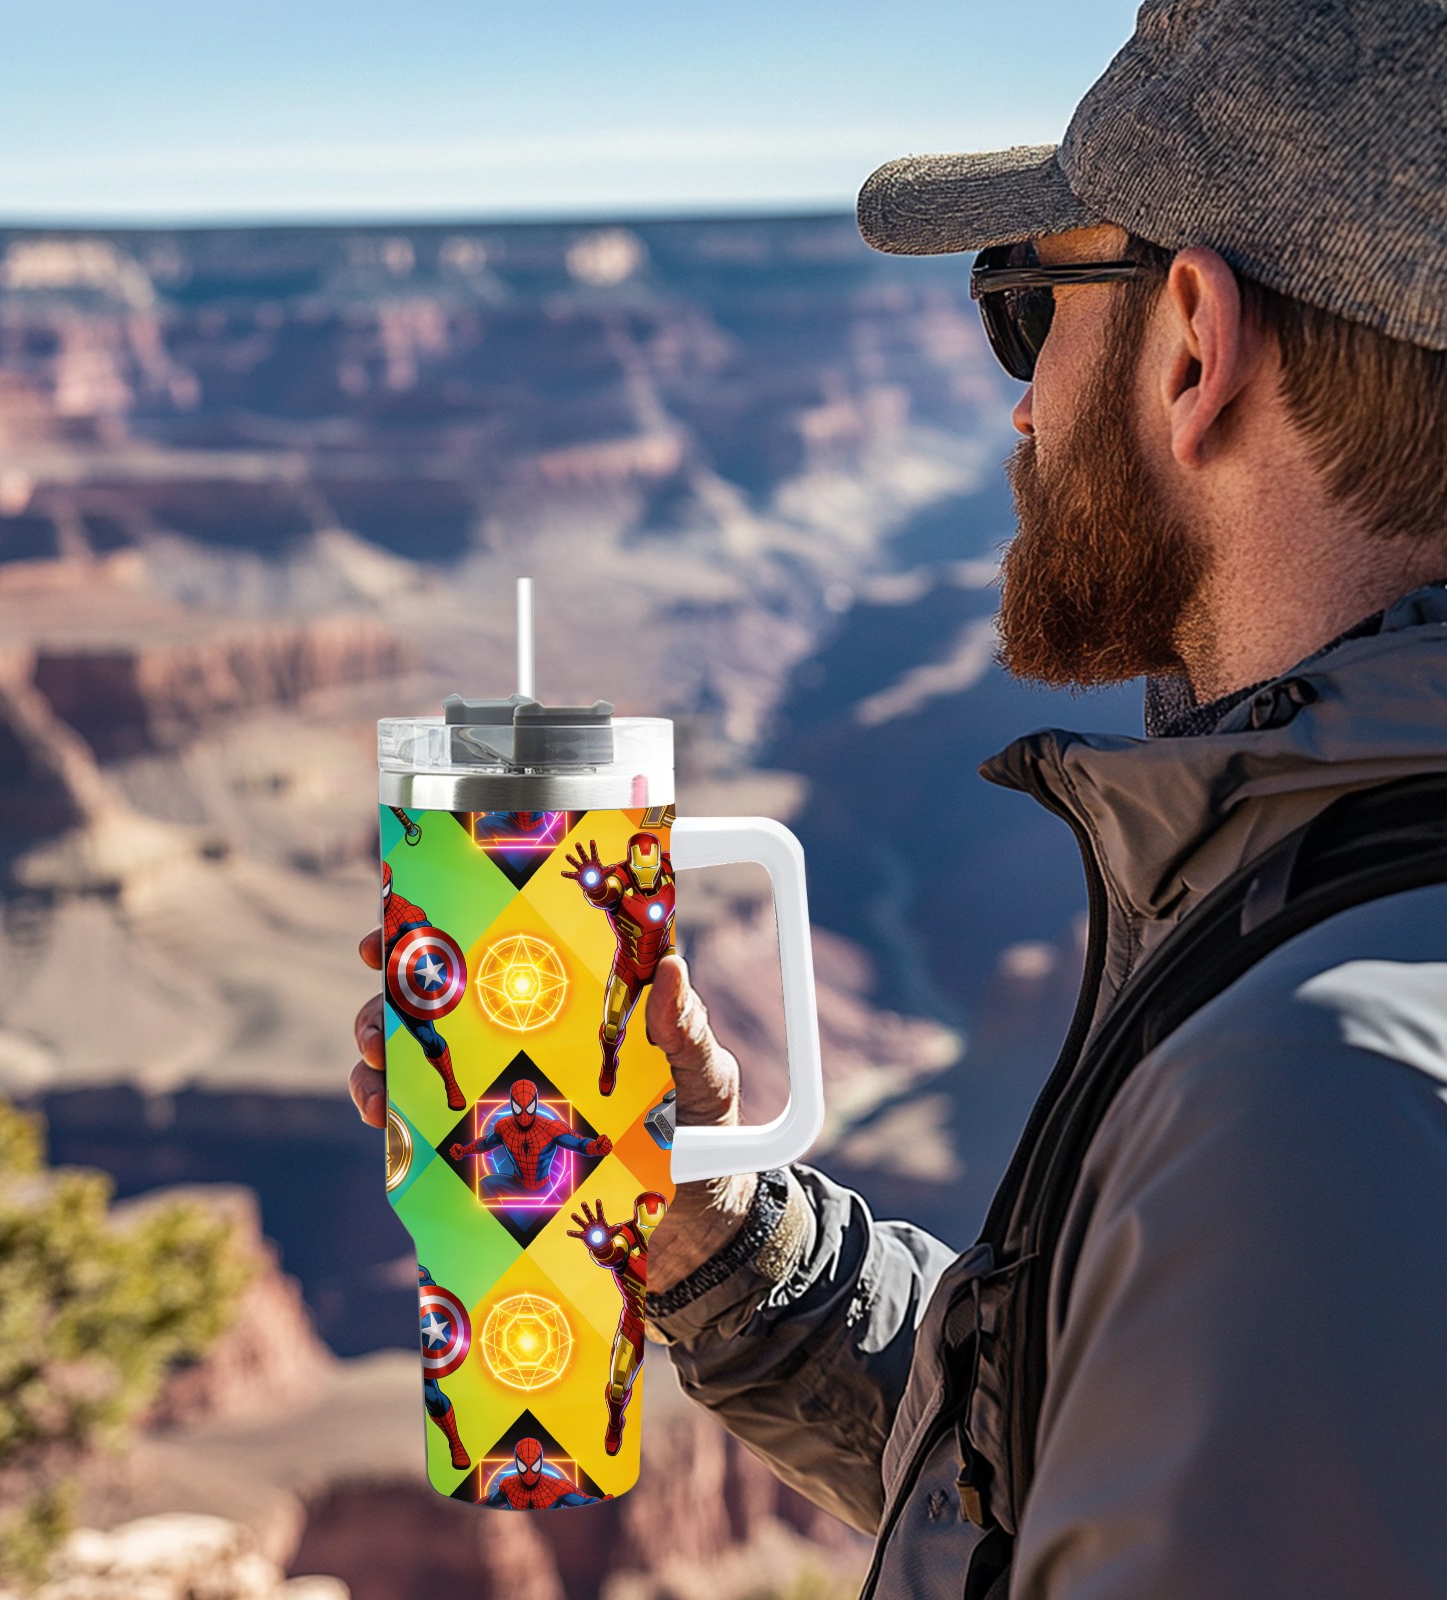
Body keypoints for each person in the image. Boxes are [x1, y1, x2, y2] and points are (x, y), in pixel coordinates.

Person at [353, 0, 1447, 1591]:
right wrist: (709, 1218)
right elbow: (1086, 1471)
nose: (1020, 402)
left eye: (1029, 305)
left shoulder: (1309, 1103)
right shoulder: (1341, 967)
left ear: (1193, 344)